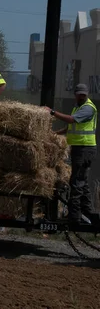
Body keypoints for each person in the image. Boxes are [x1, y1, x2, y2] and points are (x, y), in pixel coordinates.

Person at [45, 83, 97, 224]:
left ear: (86, 95)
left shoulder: (88, 108)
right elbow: (70, 127)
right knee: (83, 182)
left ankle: (74, 216)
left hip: (85, 149)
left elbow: (71, 119)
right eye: (79, 94)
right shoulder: (78, 107)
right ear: (75, 94)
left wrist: (52, 112)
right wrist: (55, 134)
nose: (81, 96)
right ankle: (90, 214)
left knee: (76, 182)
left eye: (83, 95)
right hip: (80, 148)